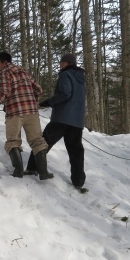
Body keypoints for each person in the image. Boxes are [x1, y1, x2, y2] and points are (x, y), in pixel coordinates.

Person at [0, 51, 52, 180]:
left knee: (13, 141)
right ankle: (43, 172)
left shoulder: (4, 73)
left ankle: (18, 171)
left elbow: (4, 92)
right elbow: (39, 90)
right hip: (32, 112)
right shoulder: (24, 72)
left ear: (4, 62)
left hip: (14, 113)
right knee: (38, 141)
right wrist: (31, 101)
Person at [25, 53, 87, 190]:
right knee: (76, 151)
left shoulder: (65, 75)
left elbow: (65, 93)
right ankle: (78, 181)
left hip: (62, 118)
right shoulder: (82, 78)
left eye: (61, 62)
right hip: (77, 121)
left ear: (67, 63)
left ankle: (32, 168)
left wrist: (48, 102)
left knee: (43, 142)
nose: (60, 65)